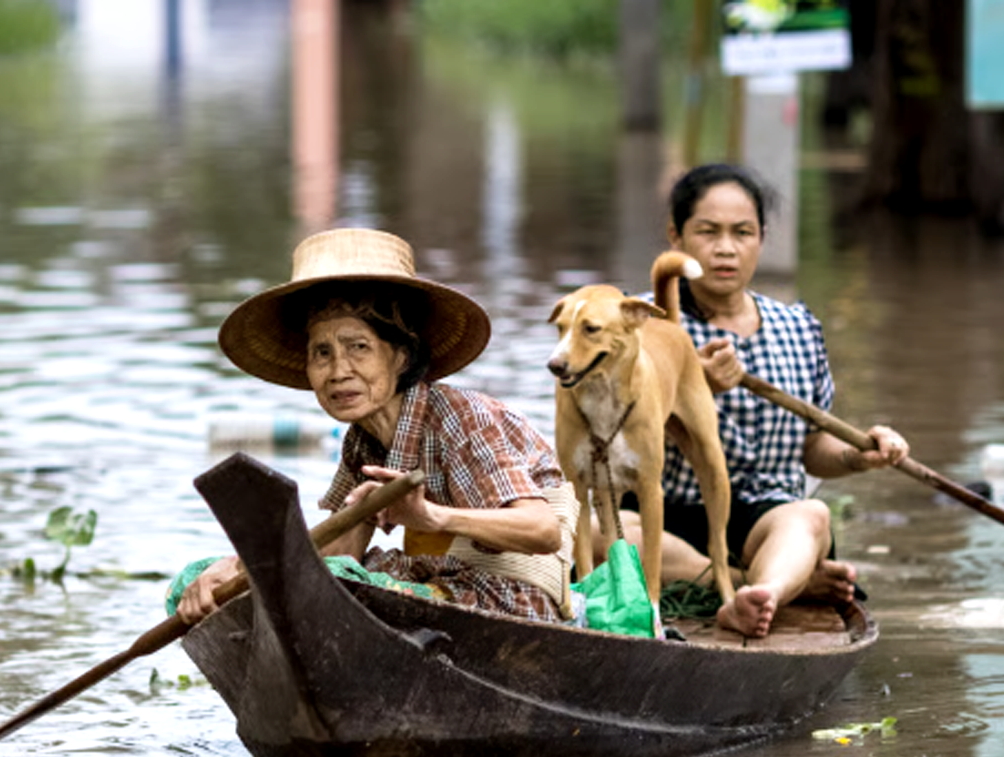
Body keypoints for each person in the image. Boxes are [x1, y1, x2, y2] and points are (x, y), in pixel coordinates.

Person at [176, 227, 573, 625]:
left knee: (338, 587)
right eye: (322, 353)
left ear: (400, 356)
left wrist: (431, 516)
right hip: (440, 586)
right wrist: (242, 568)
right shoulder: (361, 443)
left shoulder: (460, 417)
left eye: (358, 347)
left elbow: (542, 531)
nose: (338, 371)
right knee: (197, 580)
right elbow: (338, 555)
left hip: (512, 603)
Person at [622, 163, 909, 638]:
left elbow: (812, 449)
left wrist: (861, 456)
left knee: (811, 515)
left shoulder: (797, 326)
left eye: (743, 233)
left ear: (762, 238)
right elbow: (621, 431)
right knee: (598, 530)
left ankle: (767, 593)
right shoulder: (639, 321)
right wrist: (698, 387)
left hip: (763, 523)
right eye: (708, 232)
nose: (726, 249)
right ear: (677, 237)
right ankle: (747, 585)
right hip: (666, 513)